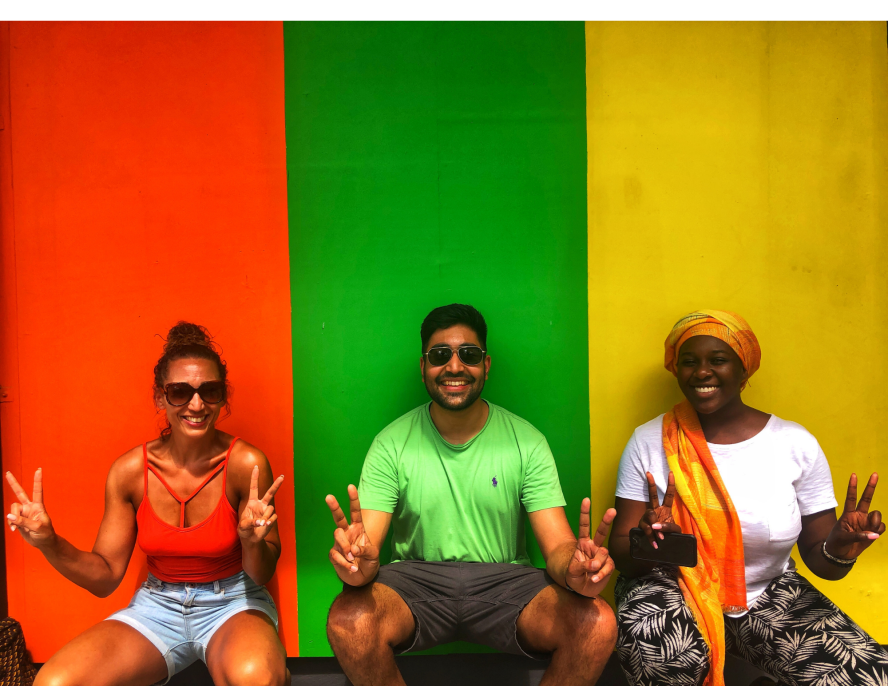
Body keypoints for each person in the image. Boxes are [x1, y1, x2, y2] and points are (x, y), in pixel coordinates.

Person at [324, 303, 618, 686]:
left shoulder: (525, 441)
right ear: (423, 366)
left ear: (487, 364)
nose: (455, 366)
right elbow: (369, 548)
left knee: (596, 622)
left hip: (506, 582)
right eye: (440, 355)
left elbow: (558, 546)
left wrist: (576, 570)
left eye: (469, 355)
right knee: (348, 619)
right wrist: (357, 567)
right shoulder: (391, 443)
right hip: (415, 582)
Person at [608, 310, 888, 686]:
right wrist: (655, 543)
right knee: (667, 660)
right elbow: (622, 555)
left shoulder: (794, 443)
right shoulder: (650, 441)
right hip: (669, 587)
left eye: (718, 360)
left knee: (872, 677)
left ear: (744, 370)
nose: (701, 372)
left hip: (766, 592)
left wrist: (839, 548)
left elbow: (822, 564)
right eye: (689, 362)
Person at [5, 322, 289, 686]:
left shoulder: (246, 464)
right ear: (160, 397)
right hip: (158, 607)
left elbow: (261, 574)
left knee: (258, 680)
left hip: (233, 602)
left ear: (223, 397)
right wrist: (49, 542)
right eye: (180, 392)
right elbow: (105, 576)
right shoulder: (129, 472)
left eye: (210, 391)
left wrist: (251, 541)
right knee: (53, 683)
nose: (197, 404)